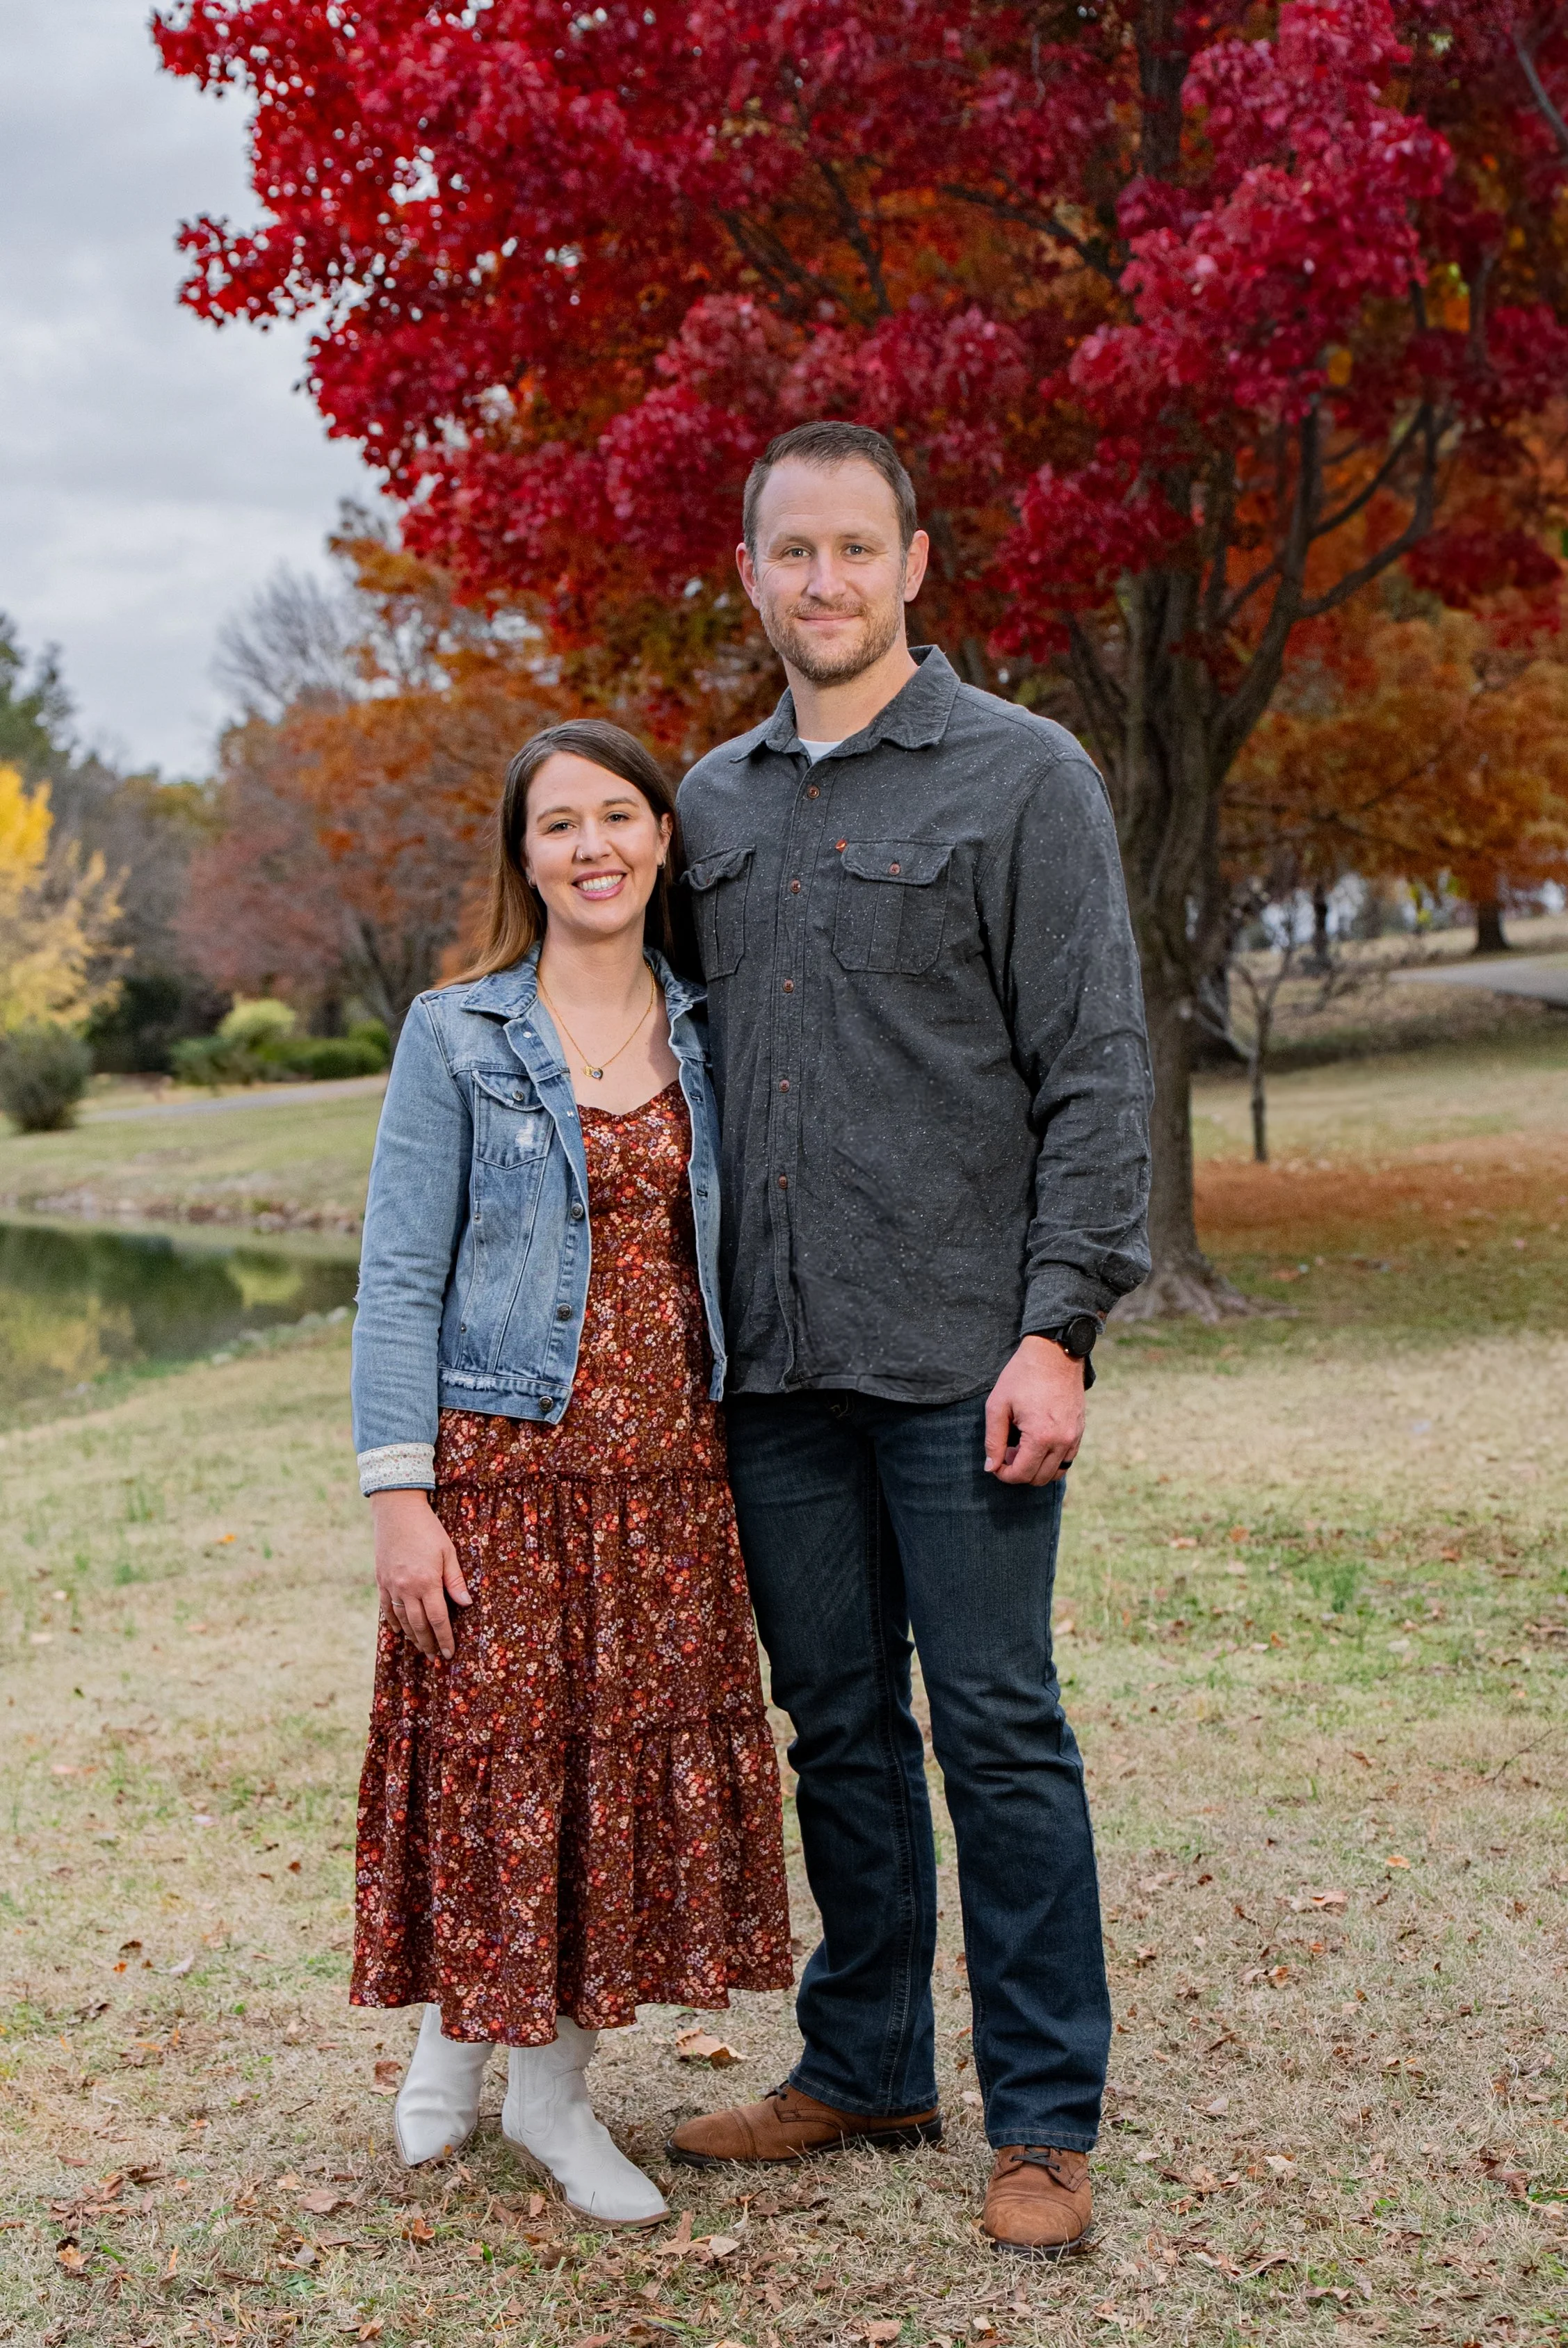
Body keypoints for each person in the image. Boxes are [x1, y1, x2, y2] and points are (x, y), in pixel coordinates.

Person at [668, 423, 1153, 2256]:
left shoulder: (1022, 779)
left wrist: (1058, 1332)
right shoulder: (705, 807)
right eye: (790, 551)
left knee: (997, 1725)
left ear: (914, 565)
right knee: (840, 1729)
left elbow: (1092, 1076)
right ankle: (861, 2060)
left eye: (854, 548)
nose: (823, 581)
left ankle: (1039, 2117)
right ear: (749, 574)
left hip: (961, 1360)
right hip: (775, 1369)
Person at [348, 718, 793, 2228]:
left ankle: (539, 2086)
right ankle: (474, 2051)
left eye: (620, 815)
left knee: (603, 1787)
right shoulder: (456, 1030)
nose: (592, 844)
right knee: (501, 1768)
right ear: (522, 854)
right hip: (505, 1468)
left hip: (670, 1471)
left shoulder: (720, 1029)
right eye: (559, 824)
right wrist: (397, 1495)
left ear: (664, 837)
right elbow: (400, 1276)